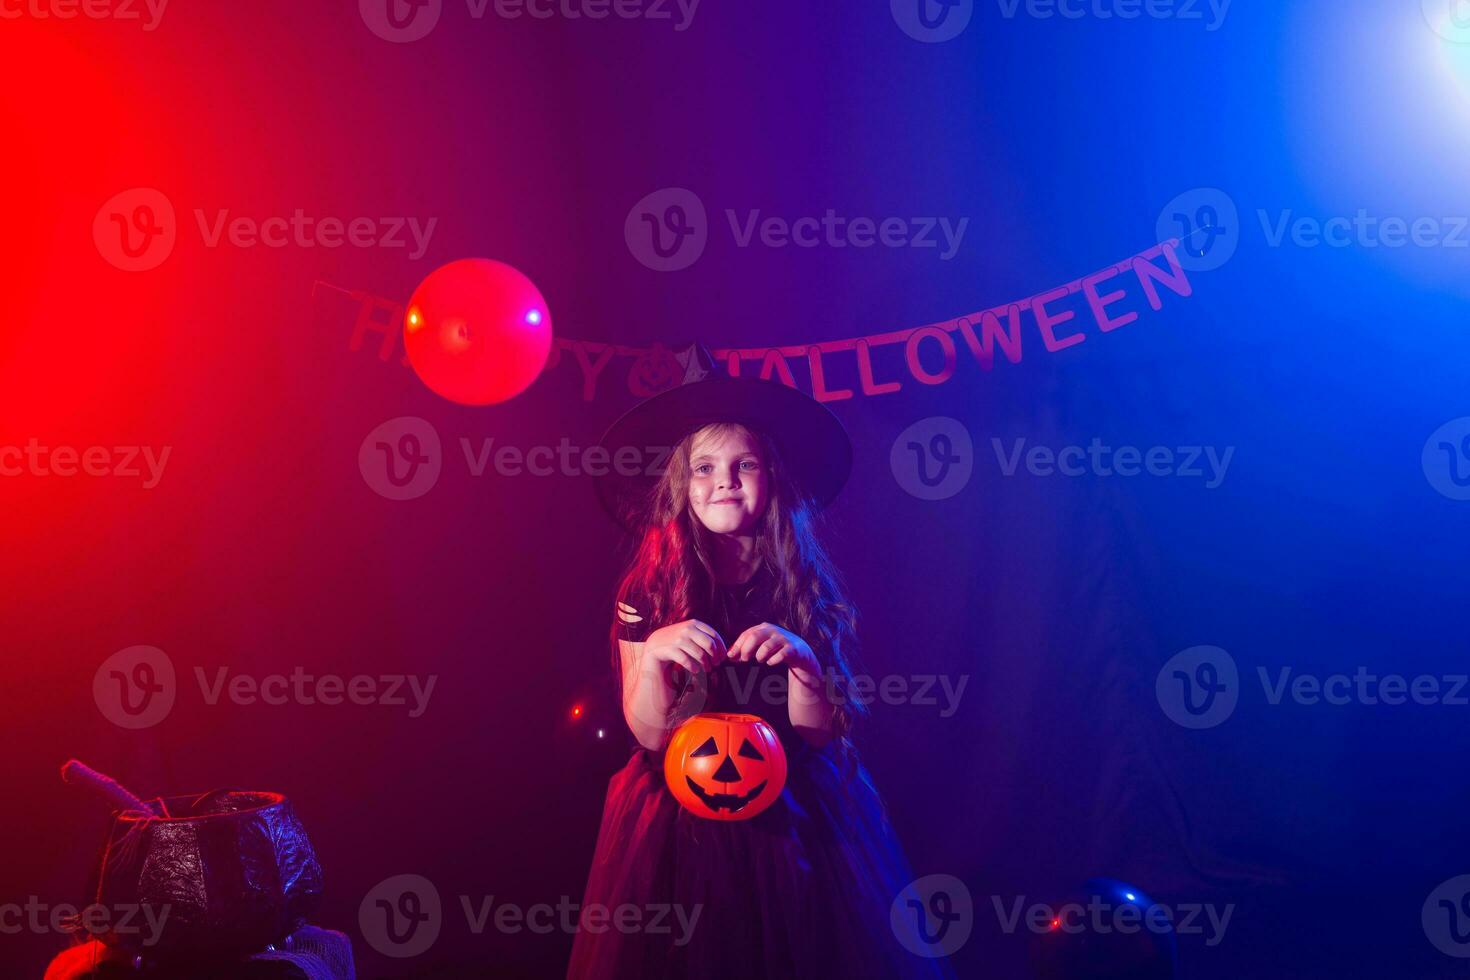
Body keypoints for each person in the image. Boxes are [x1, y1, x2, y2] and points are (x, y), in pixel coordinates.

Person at [568, 369, 956, 979]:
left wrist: (802, 662)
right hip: (682, 811)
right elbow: (646, 732)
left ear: (770, 478)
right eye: (703, 467)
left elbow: (823, 732)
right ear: (681, 484)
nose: (724, 480)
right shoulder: (648, 589)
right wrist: (660, 651)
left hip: (793, 805)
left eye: (743, 465)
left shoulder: (803, 587)